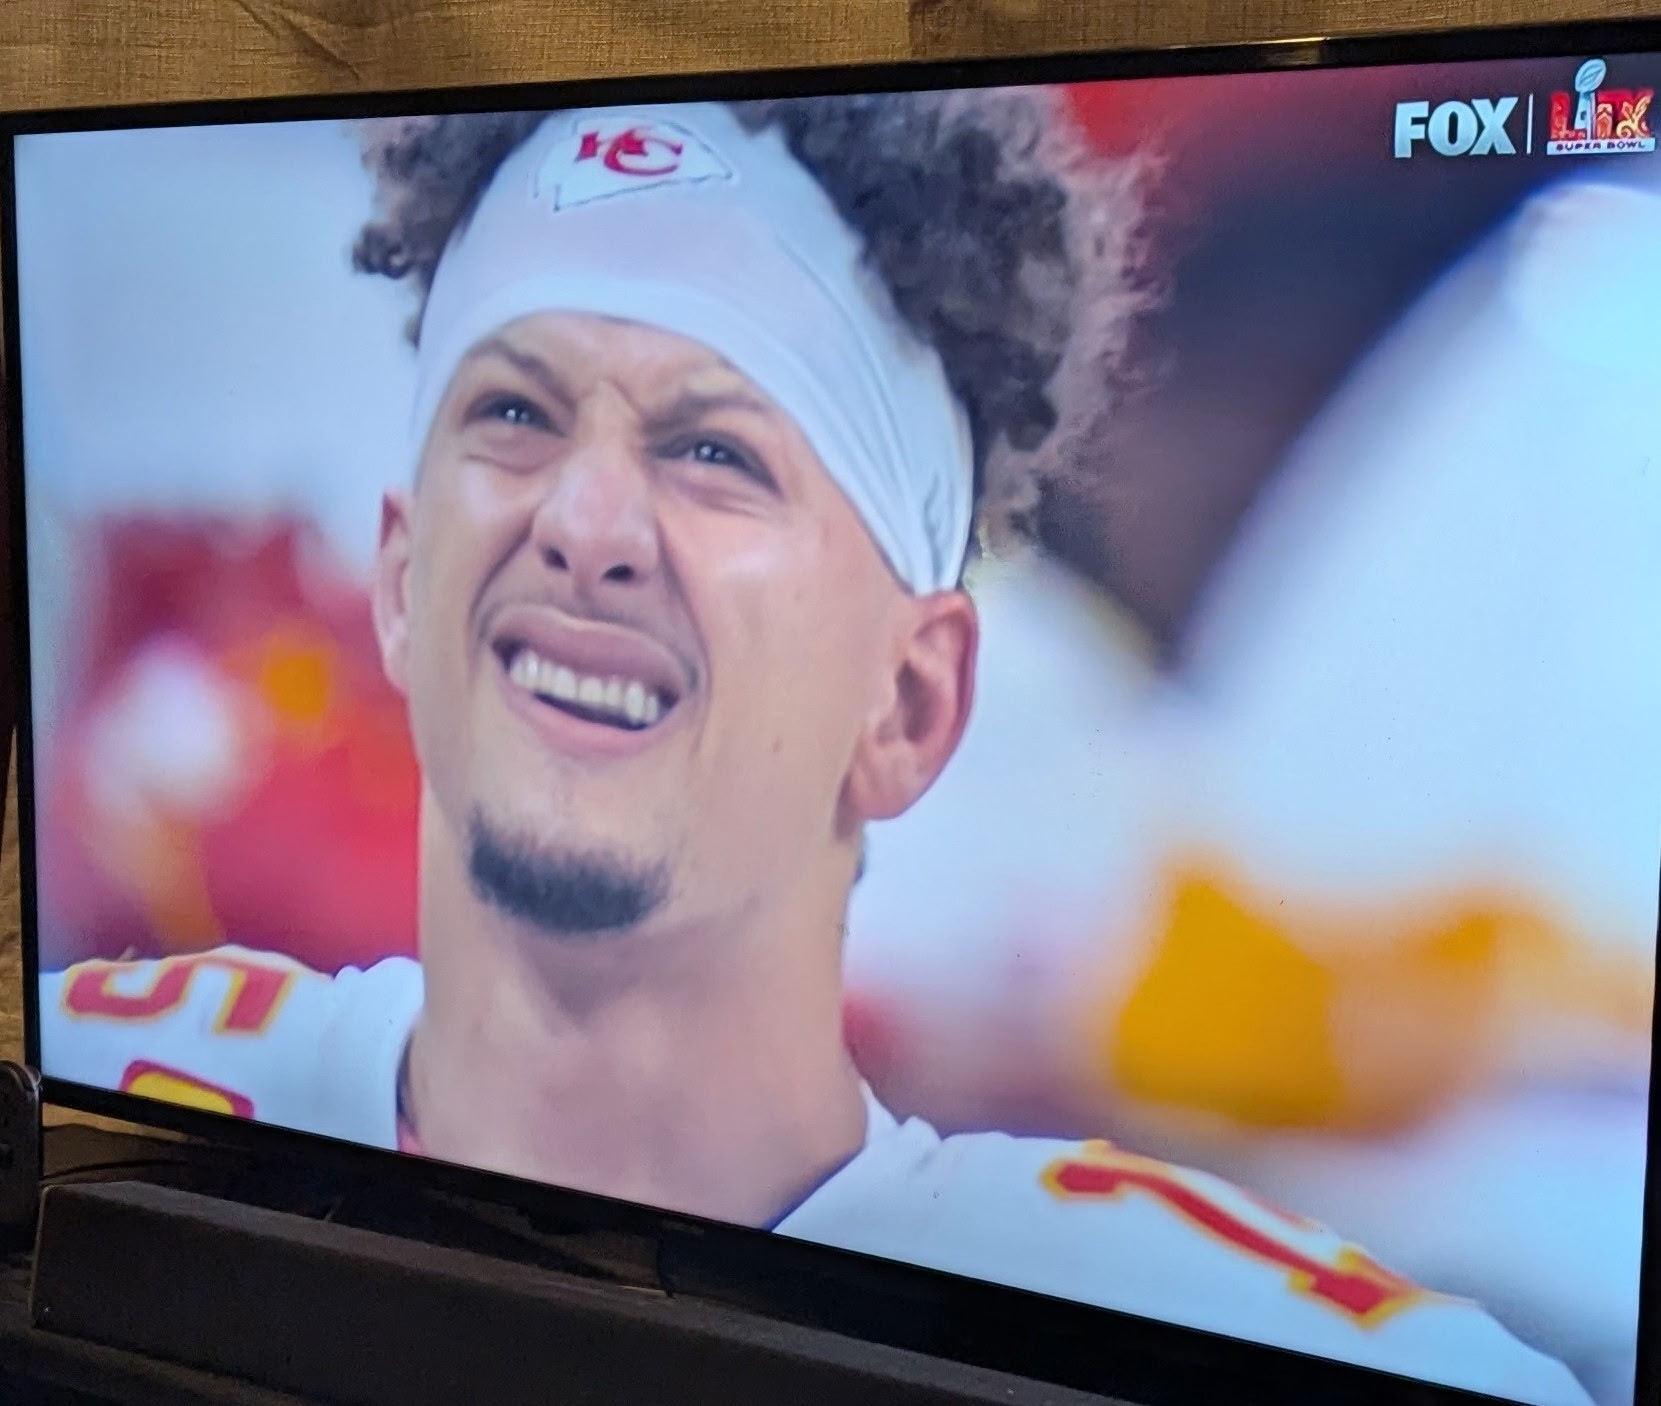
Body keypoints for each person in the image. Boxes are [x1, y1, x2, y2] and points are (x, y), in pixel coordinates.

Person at [38, 91, 1593, 1406]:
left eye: (714, 448)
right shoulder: (112, 1060)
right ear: (395, 578)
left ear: (910, 702)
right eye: (517, 413)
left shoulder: (1169, 1253)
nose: (587, 520)